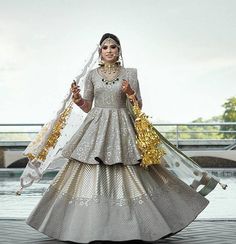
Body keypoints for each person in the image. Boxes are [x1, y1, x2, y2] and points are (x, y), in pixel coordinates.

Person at [23, 33, 223, 243]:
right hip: (96, 126)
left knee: (135, 173)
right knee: (85, 170)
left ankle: (146, 223)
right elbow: (87, 106)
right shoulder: (92, 75)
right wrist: (77, 99)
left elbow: (138, 106)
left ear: (119, 50)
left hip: (122, 126)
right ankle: (84, 226)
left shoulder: (131, 73)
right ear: (100, 51)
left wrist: (129, 93)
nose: (109, 50)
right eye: (105, 47)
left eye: (113, 47)